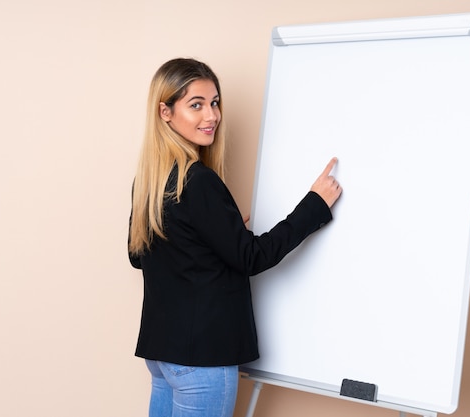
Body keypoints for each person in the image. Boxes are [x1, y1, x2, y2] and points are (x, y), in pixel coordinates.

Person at [128, 57, 342, 417]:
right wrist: (314, 205)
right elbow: (253, 258)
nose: (211, 116)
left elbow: (141, 255)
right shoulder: (198, 181)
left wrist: (215, 238)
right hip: (202, 363)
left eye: (214, 103)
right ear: (165, 112)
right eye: (196, 105)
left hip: (163, 356)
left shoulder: (149, 180)